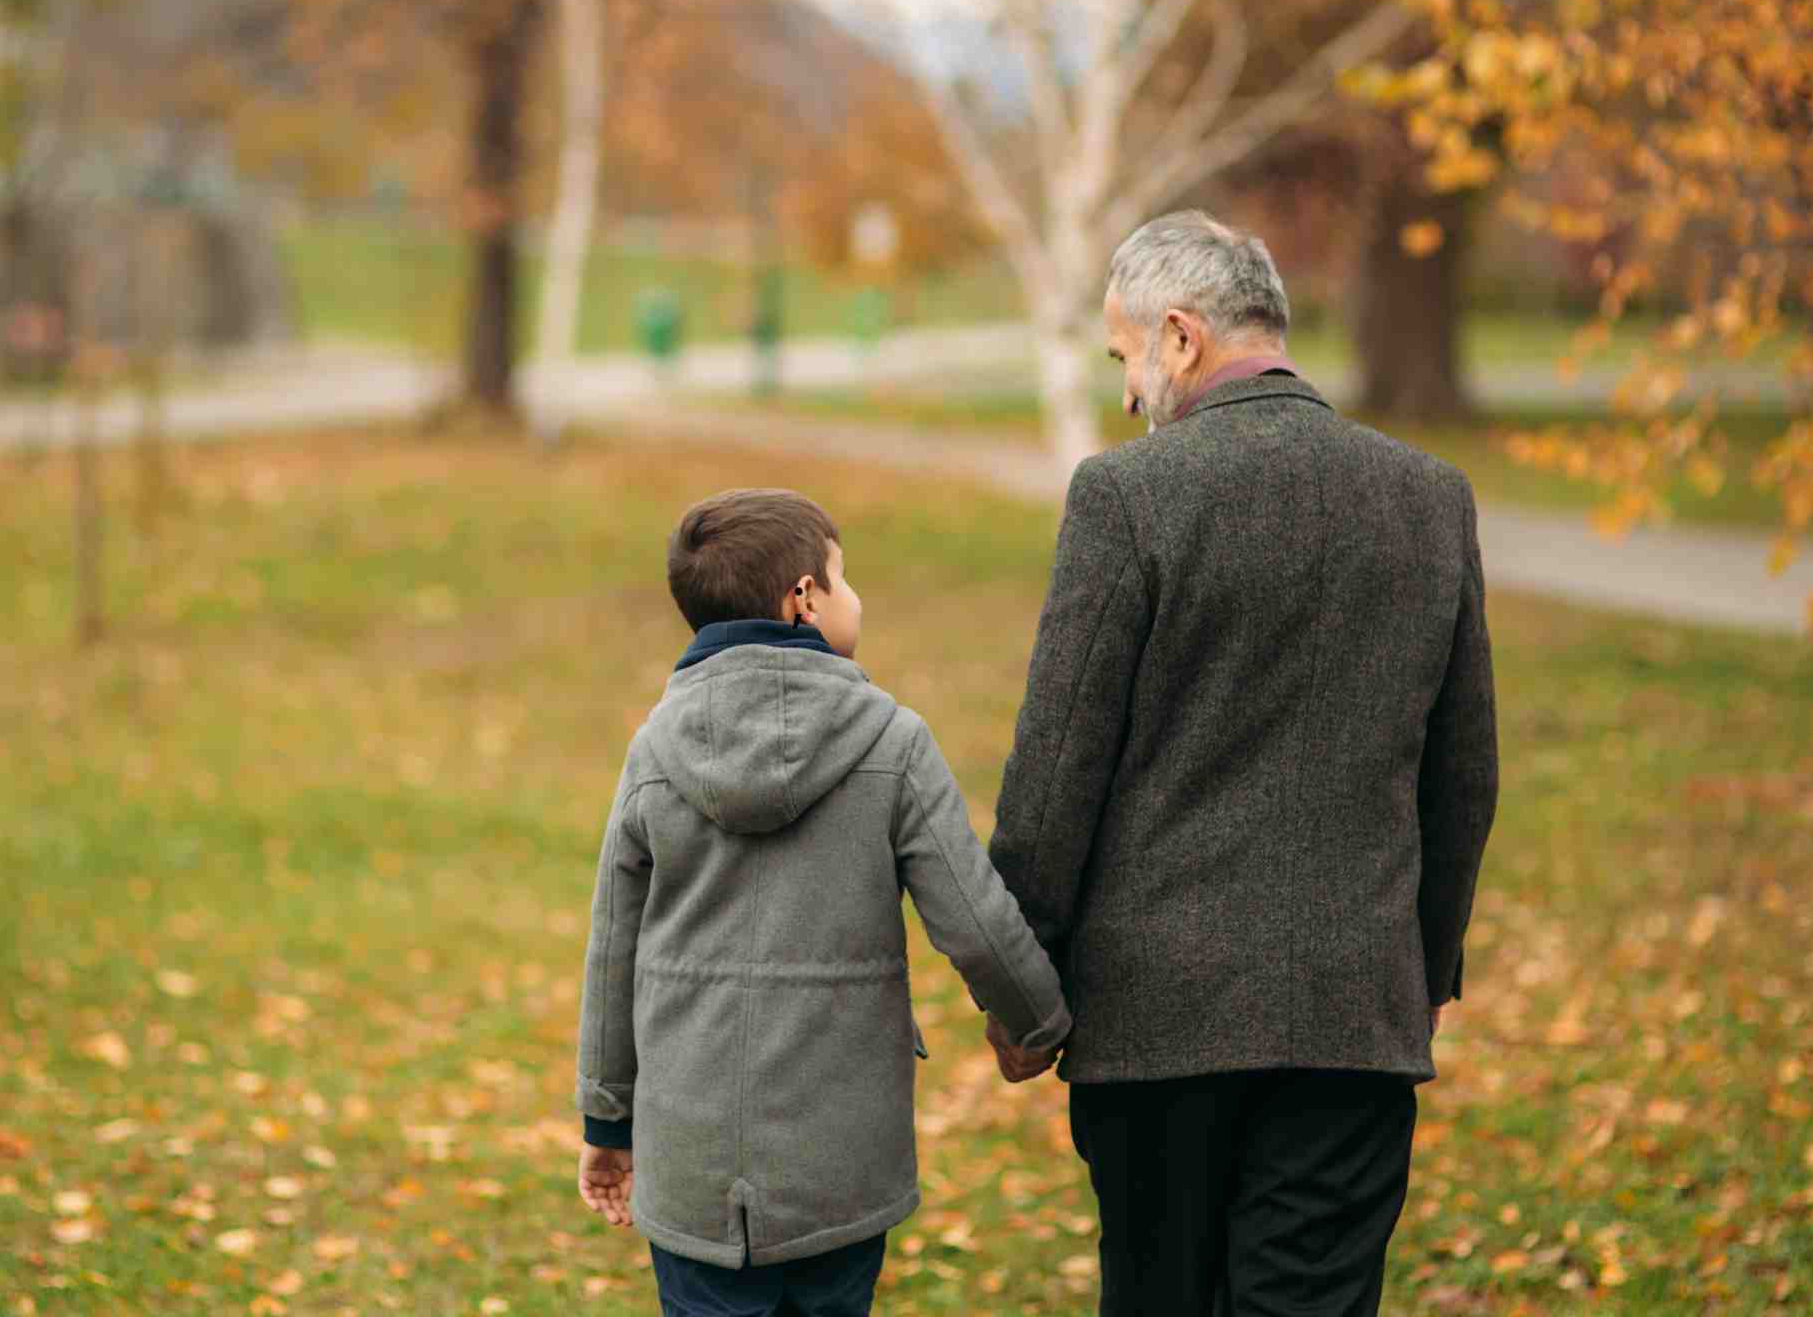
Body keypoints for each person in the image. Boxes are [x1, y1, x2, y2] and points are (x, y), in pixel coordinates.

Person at [985, 211, 1500, 1316]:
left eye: (1124, 356)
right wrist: (1416, 969)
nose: (1127, 393)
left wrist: (1019, 985)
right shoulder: (1430, 496)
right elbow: (1464, 774)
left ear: (1180, 337)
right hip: (1350, 1015)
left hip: (1153, 1024)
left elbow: (1056, 767)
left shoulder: (1126, 497)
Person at [574, 487, 1071, 1317]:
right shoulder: (890, 741)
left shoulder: (655, 749)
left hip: (693, 1165)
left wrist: (605, 1120)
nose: (855, 596)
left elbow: (612, 948)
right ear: (802, 597)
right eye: (843, 577)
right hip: (840, 1170)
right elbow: (975, 919)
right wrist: (1037, 1024)